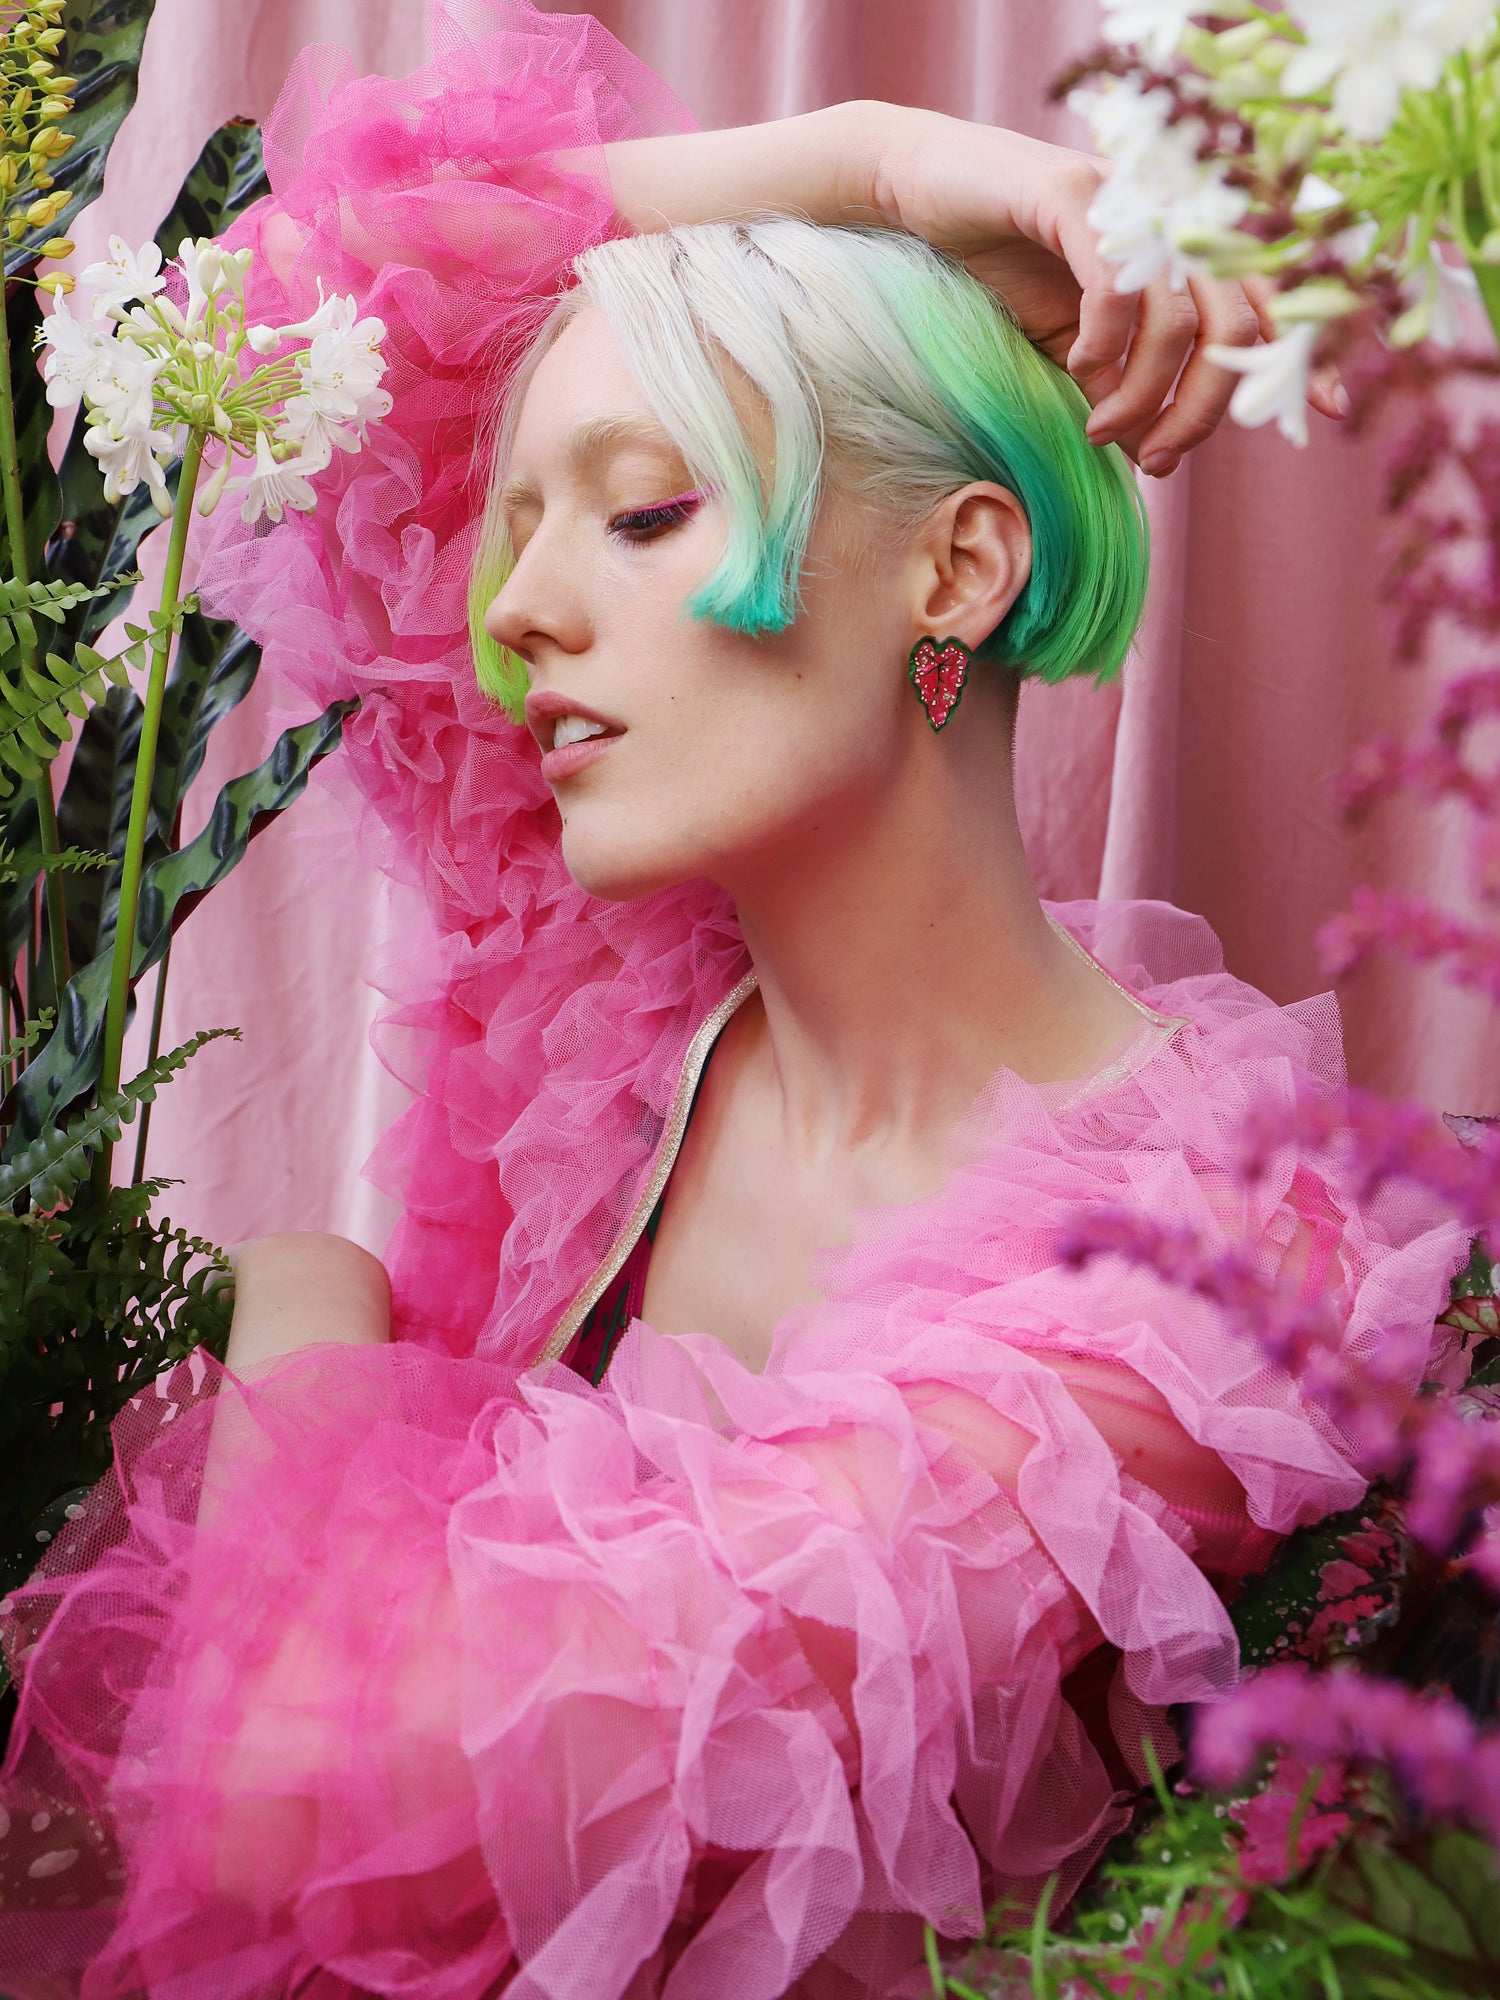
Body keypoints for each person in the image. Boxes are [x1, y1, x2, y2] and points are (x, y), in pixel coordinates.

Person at [0, 4, 1463, 1997]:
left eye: (642, 512)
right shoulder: (623, 1020)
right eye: (521, 525)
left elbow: (296, 1790)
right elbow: (314, 300)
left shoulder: (1192, 1279)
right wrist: (885, 166)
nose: (519, 610)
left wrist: (310, 1294)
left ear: (958, 570)